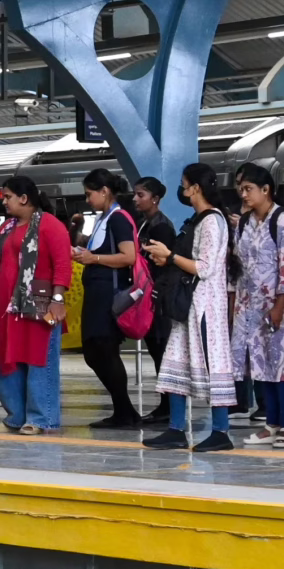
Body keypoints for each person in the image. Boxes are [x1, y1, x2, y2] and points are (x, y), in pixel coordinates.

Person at [141, 164, 236, 452]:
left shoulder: (211, 221)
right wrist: (167, 257)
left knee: (212, 363)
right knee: (176, 360)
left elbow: (204, 268)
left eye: (184, 184)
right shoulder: (199, 219)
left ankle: (221, 432)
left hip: (205, 306)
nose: (181, 190)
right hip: (189, 305)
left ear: (196, 188)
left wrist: (169, 256)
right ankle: (176, 429)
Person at [232, 163, 284, 447]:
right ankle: (271, 425)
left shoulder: (283, 219)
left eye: (249, 189)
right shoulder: (244, 222)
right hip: (248, 305)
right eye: (242, 189)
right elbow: (237, 263)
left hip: (277, 303)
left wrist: (280, 305)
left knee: (280, 363)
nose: (244, 194)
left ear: (266, 190)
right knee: (259, 362)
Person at [0, 175, 72, 434]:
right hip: (7, 309)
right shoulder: (6, 228)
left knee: (39, 359)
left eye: (8, 197)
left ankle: (40, 418)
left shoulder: (51, 225)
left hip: (39, 306)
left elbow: (62, 265)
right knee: (9, 358)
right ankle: (16, 416)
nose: (4, 202)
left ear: (24, 198)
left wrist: (58, 300)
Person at [73, 169, 143, 428]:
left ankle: (124, 411)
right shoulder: (104, 218)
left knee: (104, 350)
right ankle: (124, 410)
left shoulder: (118, 218)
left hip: (108, 296)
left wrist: (94, 258)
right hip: (96, 295)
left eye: (89, 194)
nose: (87, 199)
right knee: (95, 352)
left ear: (104, 191)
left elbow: (129, 256)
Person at [131, 177, 177, 422]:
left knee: (161, 349)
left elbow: (162, 265)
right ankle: (166, 403)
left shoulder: (161, 227)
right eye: (135, 194)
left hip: (156, 297)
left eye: (141, 195)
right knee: (155, 349)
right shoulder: (144, 224)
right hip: (148, 294)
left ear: (155, 198)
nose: (135, 199)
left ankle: (169, 404)